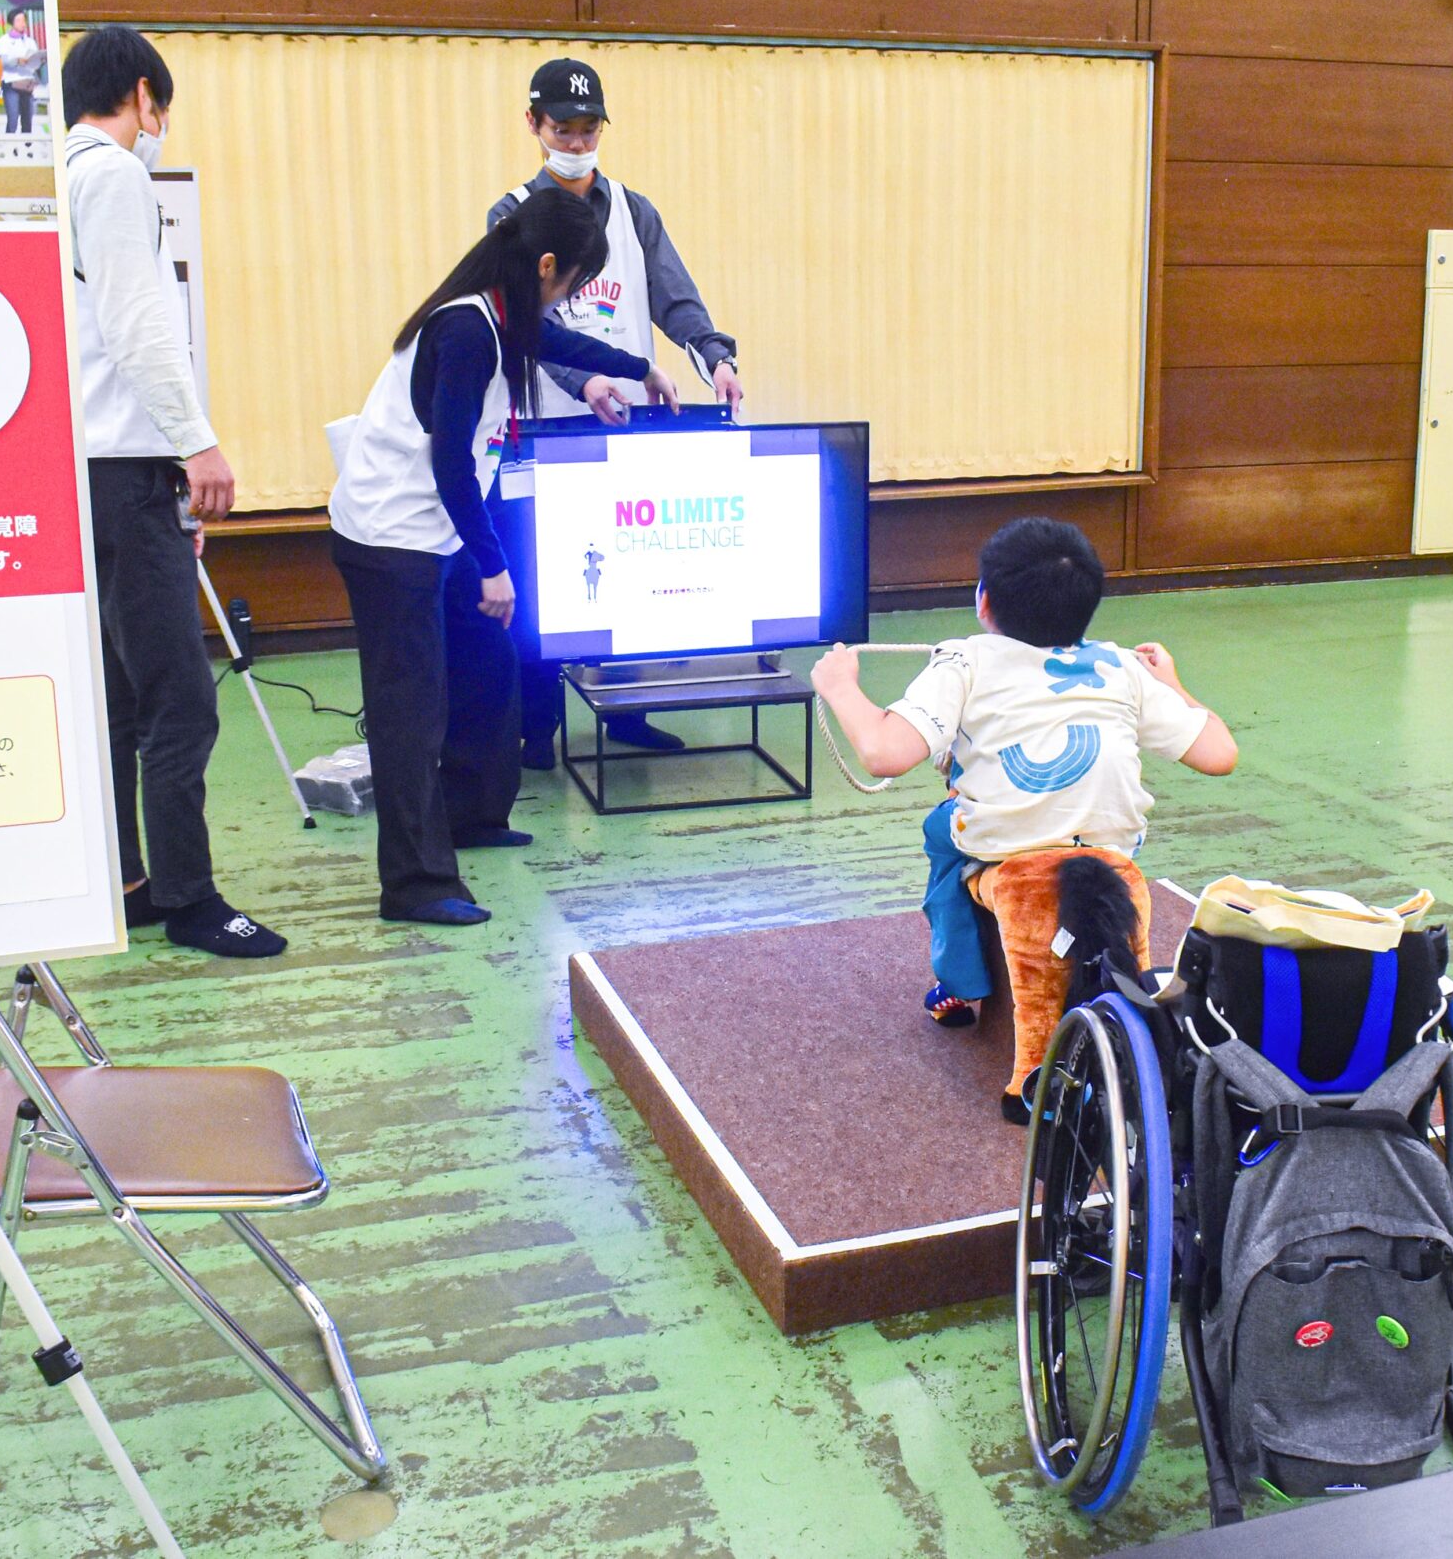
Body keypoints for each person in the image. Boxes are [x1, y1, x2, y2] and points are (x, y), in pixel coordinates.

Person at [332, 188, 679, 926]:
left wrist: (639, 369)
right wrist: (493, 564)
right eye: (572, 286)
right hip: (393, 539)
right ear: (546, 266)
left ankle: (472, 815)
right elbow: (449, 463)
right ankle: (415, 884)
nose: (568, 302)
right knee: (410, 712)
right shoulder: (464, 330)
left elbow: (557, 345)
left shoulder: (500, 313)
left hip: (440, 529)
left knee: (488, 663)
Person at [810, 518, 1238, 1061]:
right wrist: (1171, 684)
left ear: (983, 602)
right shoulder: (1121, 666)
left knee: (941, 834)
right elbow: (1220, 755)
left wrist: (841, 686)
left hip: (1006, 846)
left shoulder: (964, 660)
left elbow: (883, 753)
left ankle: (959, 982)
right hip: (1110, 848)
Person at [63, 24, 285, 958]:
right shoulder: (114, 175)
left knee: (123, 695)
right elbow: (138, 325)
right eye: (163, 109)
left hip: (95, 471)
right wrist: (197, 446)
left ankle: (130, 880)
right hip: (127, 465)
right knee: (181, 702)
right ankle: (191, 900)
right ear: (145, 96)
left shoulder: (60, 179)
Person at [488, 58, 746, 769]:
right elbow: (518, 323)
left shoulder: (635, 210)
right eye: (561, 129)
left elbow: (677, 299)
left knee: (625, 574)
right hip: (547, 422)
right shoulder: (511, 214)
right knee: (542, 578)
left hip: (627, 424)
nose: (576, 142)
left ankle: (627, 714)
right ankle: (534, 732)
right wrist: (583, 381)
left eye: (588, 128)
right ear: (534, 125)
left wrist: (715, 357)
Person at [0, 11, 43, 135]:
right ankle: (10, 149)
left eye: (24, 20)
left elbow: (36, 62)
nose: (22, 24)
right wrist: (18, 60)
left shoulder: (30, 41)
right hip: (11, 83)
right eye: (19, 20)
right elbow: (5, 62)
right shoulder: (4, 40)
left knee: (27, 120)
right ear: (12, 23)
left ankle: (27, 150)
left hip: (27, 83)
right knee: (13, 119)